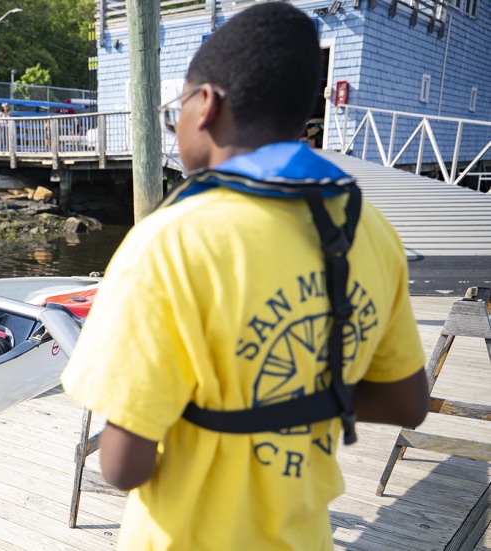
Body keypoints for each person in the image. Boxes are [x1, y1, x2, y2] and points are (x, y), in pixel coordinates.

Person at [60, 4, 430, 550]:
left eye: (174, 111)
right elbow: (408, 404)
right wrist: (301, 388)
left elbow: (122, 466)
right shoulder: (367, 227)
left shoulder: (172, 241)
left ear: (205, 105)